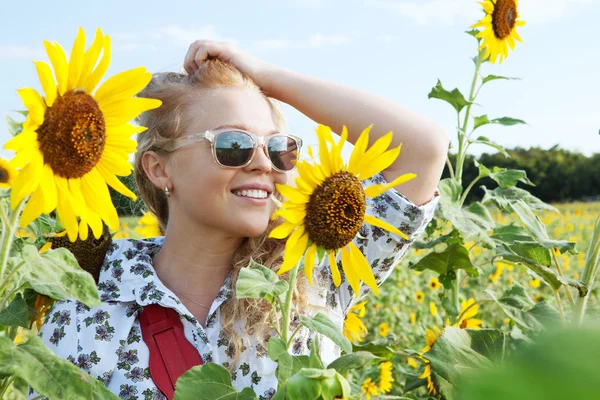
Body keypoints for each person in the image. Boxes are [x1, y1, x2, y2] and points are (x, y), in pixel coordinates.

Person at [29, 40, 448, 399]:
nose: (264, 163)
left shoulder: (311, 273)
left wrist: (268, 77)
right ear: (159, 169)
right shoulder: (89, 295)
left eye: (279, 147)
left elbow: (423, 150)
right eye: (234, 144)